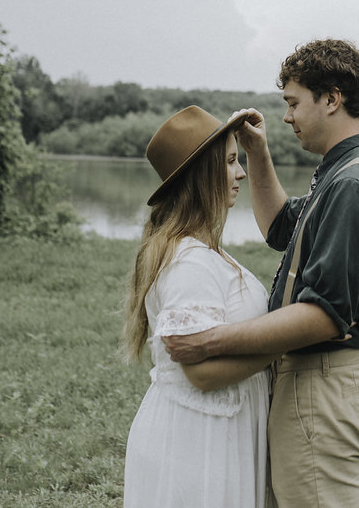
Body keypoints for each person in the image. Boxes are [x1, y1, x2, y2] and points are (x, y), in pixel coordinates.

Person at [164, 39, 359, 507]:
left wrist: (208, 341)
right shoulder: (341, 172)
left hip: (327, 383)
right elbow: (279, 227)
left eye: (293, 103)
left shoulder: (354, 184)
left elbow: (324, 316)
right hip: (321, 382)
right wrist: (257, 152)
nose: (286, 116)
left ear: (332, 99)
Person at [121, 105, 279, 508]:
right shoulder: (190, 260)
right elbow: (203, 375)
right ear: (201, 175)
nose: (241, 172)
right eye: (229, 162)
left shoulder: (198, 249)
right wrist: (287, 343)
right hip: (199, 446)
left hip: (212, 434)